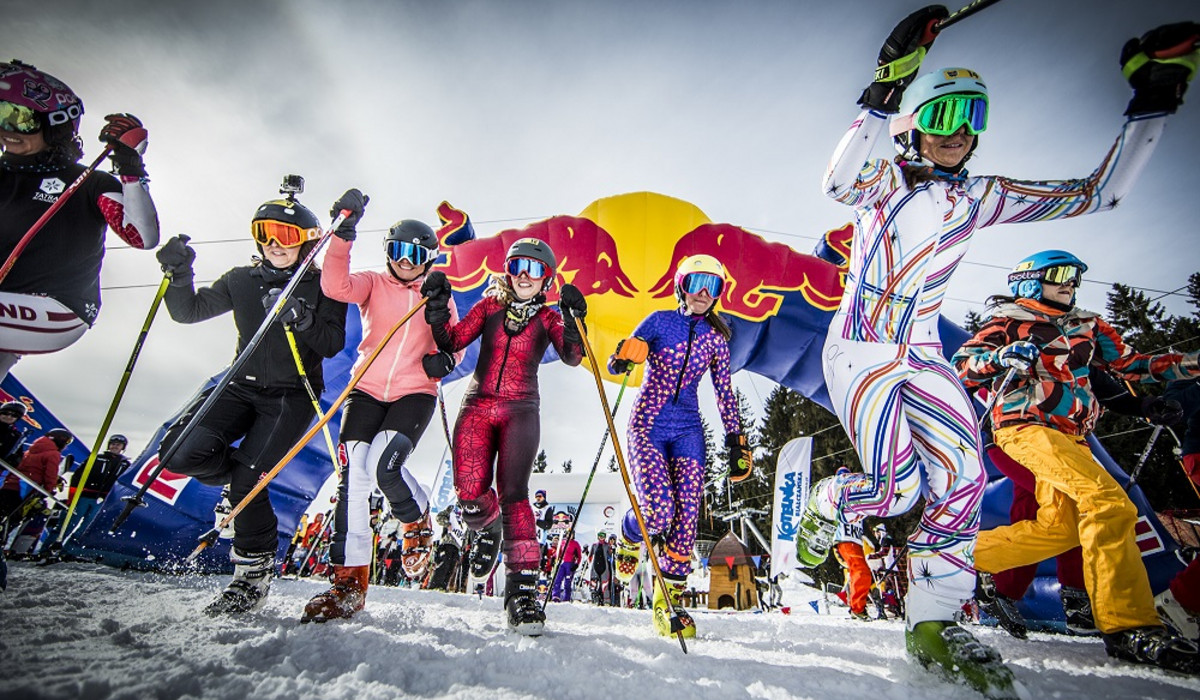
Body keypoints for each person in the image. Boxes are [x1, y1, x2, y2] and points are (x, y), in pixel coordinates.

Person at [814, 6, 1197, 691]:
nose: (958, 133)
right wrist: (883, 91)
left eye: (972, 119)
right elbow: (837, 183)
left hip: (923, 351)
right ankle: (829, 506)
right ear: (916, 126)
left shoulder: (978, 198)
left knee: (960, 480)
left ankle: (934, 619)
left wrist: (1153, 104)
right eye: (943, 116)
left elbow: (1096, 195)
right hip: (862, 350)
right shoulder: (882, 184)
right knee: (895, 487)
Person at [953, 249, 1200, 673]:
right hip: (1025, 426)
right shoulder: (1011, 320)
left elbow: (1130, 365)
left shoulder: (1088, 325)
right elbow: (963, 365)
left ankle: (951, 554)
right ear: (1029, 280)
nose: (1070, 282)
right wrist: (1000, 357)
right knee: (1108, 503)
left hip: (1074, 435)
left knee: (1063, 529)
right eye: (1060, 274)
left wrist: (1188, 366)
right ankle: (1128, 627)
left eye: (1075, 276)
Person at [154, 192, 347, 615]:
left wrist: (303, 318)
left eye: (287, 234)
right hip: (239, 386)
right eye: (265, 233)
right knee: (178, 453)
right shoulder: (241, 279)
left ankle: (252, 577)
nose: (275, 243)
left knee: (248, 482)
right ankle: (241, 481)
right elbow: (188, 311)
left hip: (289, 395)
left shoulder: (322, 285)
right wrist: (178, 272)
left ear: (308, 242)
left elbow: (332, 344)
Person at [300, 191, 458, 622]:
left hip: (414, 391)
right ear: (388, 253)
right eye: (397, 251)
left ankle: (415, 517)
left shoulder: (435, 292)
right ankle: (348, 583)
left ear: (429, 257)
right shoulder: (373, 282)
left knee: (385, 464)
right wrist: (342, 236)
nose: (405, 261)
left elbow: (455, 343)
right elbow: (336, 286)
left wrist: (446, 358)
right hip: (365, 389)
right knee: (354, 476)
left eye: (415, 253)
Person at [421, 237, 586, 635]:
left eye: (534, 269)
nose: (524, 276)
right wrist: (439, 307)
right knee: (468, 490)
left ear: (546, 277)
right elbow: (453, 340)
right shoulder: (490, 306)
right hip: (478, 405)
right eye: (518, 267)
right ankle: (487, 526)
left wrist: (575, 317)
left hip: (521, 410)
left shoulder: (547, 318)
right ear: (508, 272)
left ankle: (522, 594)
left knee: (514, 493)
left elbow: (572, 356)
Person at [976, 368, 1182, 639]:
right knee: (1076, 506)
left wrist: (1145, 405)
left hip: (1061, 441)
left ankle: (980, 570)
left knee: (1049, 516)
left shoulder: (1081, 352)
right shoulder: (1026, 339)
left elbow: (1111, 392)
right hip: (1014, 439)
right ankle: (1072, 596)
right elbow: (972, 370)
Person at [607, 253, 752, 639]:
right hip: (649, 424)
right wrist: (623, 358)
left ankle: (667, 605)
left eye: (713, 286)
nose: (703, 293)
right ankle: (628, 533)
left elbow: (724, 393)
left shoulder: (717, 338)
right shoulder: (660, 321)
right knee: (657, 512)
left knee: (686, 520)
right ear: (681, 287)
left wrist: (736, 440)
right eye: (696, 283)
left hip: (688, 429)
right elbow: (622, 355)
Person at [0, 60, 159, 380]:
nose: (8, 130)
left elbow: (142, 236)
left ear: (55, 126)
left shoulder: (89, 183)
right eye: (2, 115)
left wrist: (129, 166)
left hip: (57, 309)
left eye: (22, 119)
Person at [39, 433, 131, 558]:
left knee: (86, 528)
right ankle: (46, 549)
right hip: (84, 496)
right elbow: (77, 475)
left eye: (118, 445)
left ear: (123, 447)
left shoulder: (125, 464)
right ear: (109, 445)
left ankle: (68, 550)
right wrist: (73, 495)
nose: (115, 447)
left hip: (102, 500)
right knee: (68, 523)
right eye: (113, 444)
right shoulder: (96, 458)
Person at [0, 428, 71, 539]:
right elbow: (50, 475)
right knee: (12, 520)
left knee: (2, 514)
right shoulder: (53, 454)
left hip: (10, 485)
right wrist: (49, 490)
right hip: (26, 489)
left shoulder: (31, 450)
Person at [547, 533, 582, 603]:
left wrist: (576, 564)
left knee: (567, 582)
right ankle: (556, 596)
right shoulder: (562, 542)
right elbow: (558, 552)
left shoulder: (575, 544)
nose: (569, 535)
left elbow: (579, 556)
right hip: (562, 563)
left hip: (570, 565)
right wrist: (554, 557)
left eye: (571, 534)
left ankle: (567, 598)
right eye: (568, 534)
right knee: (558, 579)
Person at [0, 401, 29, 467]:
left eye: (14, 415)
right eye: (5, 413)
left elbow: (18, 456)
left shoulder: (15, 436)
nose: (9, 417)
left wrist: (14, 460)